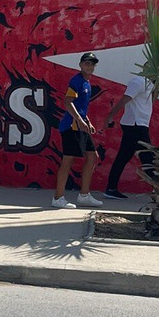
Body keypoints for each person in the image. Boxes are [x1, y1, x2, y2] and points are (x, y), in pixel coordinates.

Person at [52, 52, 103, 208]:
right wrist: (80, 120)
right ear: (80, 65)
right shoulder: (76, 81)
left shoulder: (86, 82)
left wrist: (87, 121)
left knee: (92, 156)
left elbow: (80, 107)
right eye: (87, 63)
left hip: (81, 125)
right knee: (68, 160)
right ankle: (58, 198)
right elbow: (68, 102)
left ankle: (84, 195)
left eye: (93, 64)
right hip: (71, 126)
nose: (90, 66)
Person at [103, 72, 156, 199]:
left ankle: (111, 188)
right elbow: (124, 100)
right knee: (147, 157)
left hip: (139, 124)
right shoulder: (138, 82)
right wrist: (110, 116)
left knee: (124, 156)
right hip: (135, 124)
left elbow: (149, 103)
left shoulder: (151, 85)